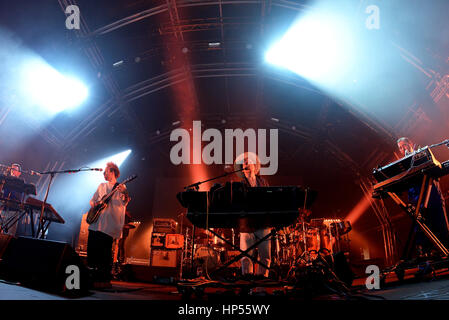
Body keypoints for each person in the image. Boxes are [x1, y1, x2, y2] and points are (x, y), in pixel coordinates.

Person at [396, 137, 449, 258]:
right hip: (416, 197)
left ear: (410, 144)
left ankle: (445, 251)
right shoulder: (403, 164)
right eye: (399, 148)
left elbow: (434, 165)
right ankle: (427, 254)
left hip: (432, 193)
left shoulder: (421, 152)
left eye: (404, 145)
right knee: (422, 226)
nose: (402, 149)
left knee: (440, 222)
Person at [87, 162, 130, 288]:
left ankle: (104, 280)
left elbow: (125, 201)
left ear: (112, 172)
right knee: (92, 251)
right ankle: (92, 278)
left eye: (105, 171)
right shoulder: (101, 186)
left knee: (104, 254)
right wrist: (94, 204)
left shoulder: (121, 187)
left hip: (109, 226)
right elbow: (92, 200)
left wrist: (126, 193)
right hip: (96, 223)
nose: (103, 174)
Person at [234, 152, 271, 279]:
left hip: (263, 223)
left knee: (265, 256)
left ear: (255, 167)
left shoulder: (263, 182)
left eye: (248, 161)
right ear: (243, 170)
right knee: (245, 256)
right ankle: (247, 284)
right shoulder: (239, 185)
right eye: (244, 163)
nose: (246, 164)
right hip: (246, 224)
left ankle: (261, 284)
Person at [0, 163, 25, 235]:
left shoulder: (21, 183)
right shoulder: (5, 181)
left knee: (10, 233)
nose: (12, 171)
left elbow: (18, 197)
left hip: (13, 210)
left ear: (19, 173)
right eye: (11, 169)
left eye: (14, 170)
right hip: (3, 209)